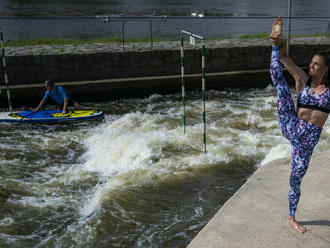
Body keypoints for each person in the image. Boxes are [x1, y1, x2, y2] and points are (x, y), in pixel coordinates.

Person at [269, 17, 329, 233]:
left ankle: (292, 218)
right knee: (282, 87)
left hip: (306, 145)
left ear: (325, 69)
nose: (311, 66)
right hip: (291, 124)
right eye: (311, 63)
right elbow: (286, 59)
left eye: (316, 64)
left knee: (295, 179)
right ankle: (275, 41)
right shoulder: (303, 80)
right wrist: (282, 45)